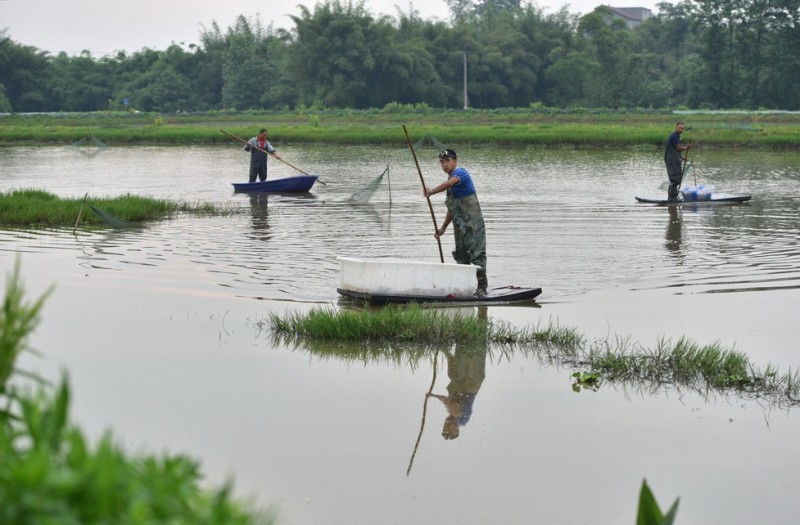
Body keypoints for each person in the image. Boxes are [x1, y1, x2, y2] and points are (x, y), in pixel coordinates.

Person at [423, 149, 488, 297]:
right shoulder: (451, 188)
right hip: (460, 225)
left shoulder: (461, 174)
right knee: (461, 256)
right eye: (442, 162)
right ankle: (464, 287)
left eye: (448, 161)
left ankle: (482, 288)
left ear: (455, 161)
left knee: (477, 255)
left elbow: (449, 183)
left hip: (474, 224)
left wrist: (432, 191)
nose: (445, 165)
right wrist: (443, 228)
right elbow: (452, 209)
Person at [664, 122, 692, 202]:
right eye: (680, 128)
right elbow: (678, 148)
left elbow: (675, 150)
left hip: (673, 159)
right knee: (675, 178)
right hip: (672, 160)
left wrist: (682, 158)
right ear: (676, 127)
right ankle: (672, 198)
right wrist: (686, 148)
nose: (681, 129)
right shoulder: (675, 136)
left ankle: (672, 197)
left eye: (682, 128)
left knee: (675, 178)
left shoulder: (677, 136)